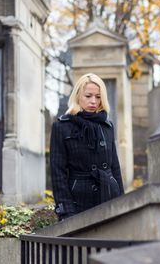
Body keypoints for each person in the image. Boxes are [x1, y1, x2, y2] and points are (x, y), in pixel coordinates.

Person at [50, 73, 124, 220]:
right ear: (78, 96)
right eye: (88, 96)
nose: (93, 101)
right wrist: (66, 210)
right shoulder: (62, 126)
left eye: (98, 97)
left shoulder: (107, 126)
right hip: (79, 201)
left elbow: (114, 166)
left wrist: (122, 202)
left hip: (109, 196)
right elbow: (58, 173)